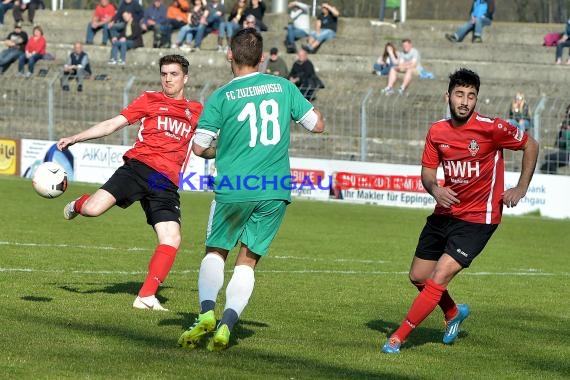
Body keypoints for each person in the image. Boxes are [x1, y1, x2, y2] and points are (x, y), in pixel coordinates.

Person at [177, 27, 325, 351]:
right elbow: (317, 124)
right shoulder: (284, 86)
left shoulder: (220, 97)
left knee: (216, 251)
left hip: (234, 185)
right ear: (261, 58)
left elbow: (200, 147)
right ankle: (227, 326)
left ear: (230, 54)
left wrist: (225, 146)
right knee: (248, 261)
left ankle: (205, 314)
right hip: (274, 188)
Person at [381, 68, 539, 354]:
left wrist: (521, 187)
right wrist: (435, 189)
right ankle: (453, 312)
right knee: (419, 276)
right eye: (459, 94)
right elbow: (428, 172)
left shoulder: (492, 128)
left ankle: (398, 337)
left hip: (479, 219)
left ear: (476, 99)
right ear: (448, 96)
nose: (465, 101)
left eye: (471, 96)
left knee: (440, 275)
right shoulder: (437, 131)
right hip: (445, 213)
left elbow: (531, 144)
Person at [56, 54, 203, 311]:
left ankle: (146, 296)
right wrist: (76, 137)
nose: (168, 79)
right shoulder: (150, 99)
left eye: (174, 74)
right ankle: (79, 204)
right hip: (138, 167)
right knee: (93, 209)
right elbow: (113, 124)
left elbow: (205, 146)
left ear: (185, 78)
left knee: (172, 237)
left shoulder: (197, 111)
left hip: (164, 182)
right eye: (164, 74)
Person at [540, 105, 570, 174]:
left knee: (549, 158)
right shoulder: (565, 125)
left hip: (568, 153)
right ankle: (554, 179)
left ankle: (554, 179)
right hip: (564, 152)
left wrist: (565, 132)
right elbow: (560, 143)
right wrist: (561, 132)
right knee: (546, 165)